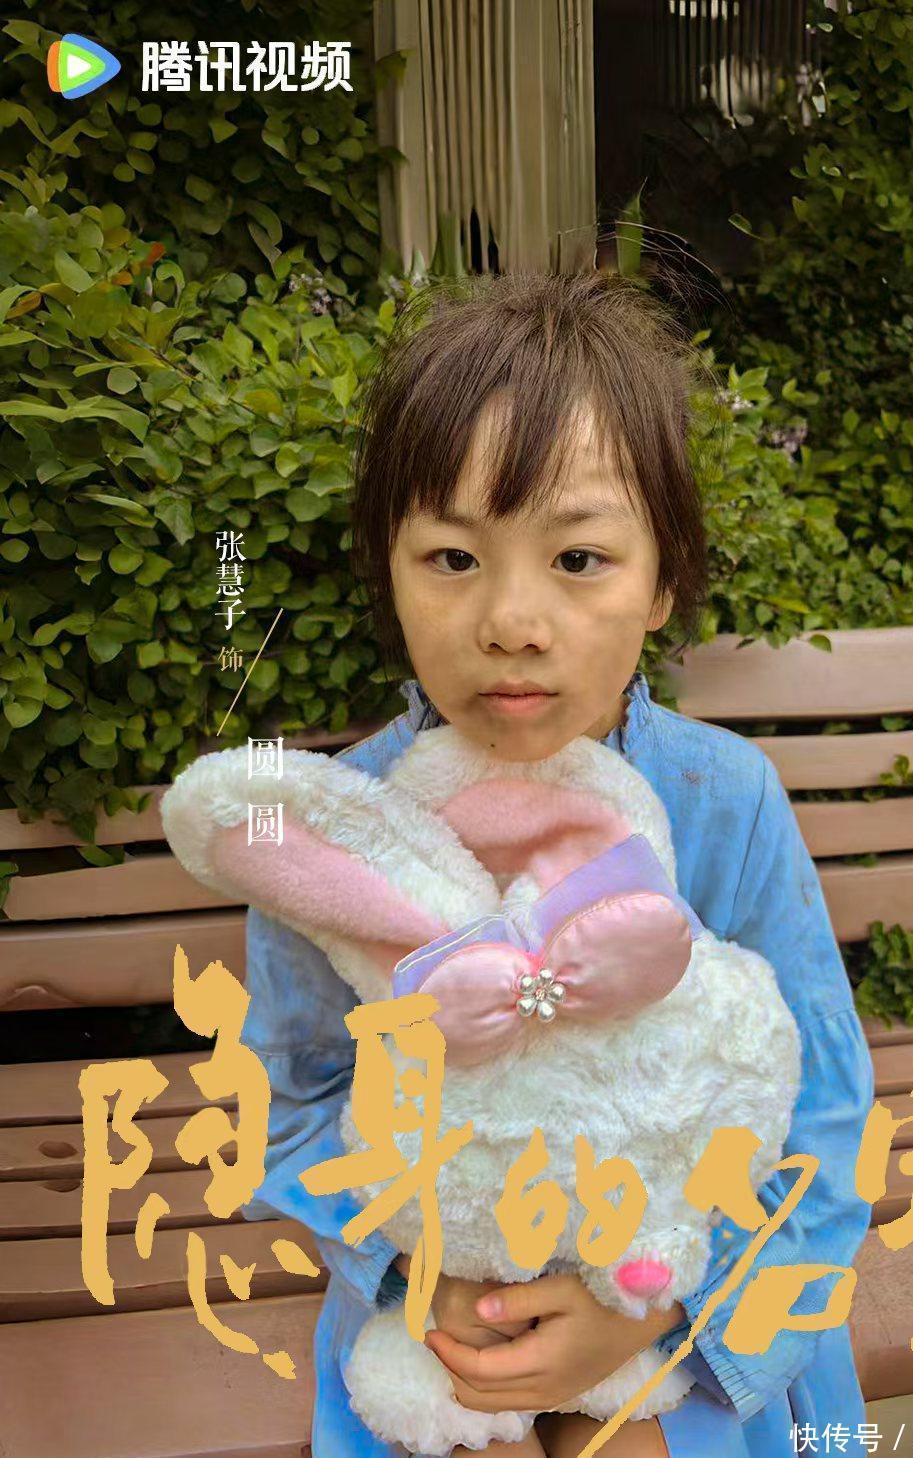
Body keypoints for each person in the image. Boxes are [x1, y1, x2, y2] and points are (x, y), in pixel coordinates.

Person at [239, 270, 875, 1458]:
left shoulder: (723, 802)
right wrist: (423, 1274)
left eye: (579, 559)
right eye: (451, 557)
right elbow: (299, 1101)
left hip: (687, 1282)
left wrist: (666, 1305)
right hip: (436, 1301)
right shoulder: (334, 831)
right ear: (389, 572)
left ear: (663, 580)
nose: (512, 622)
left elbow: (823, 1111)